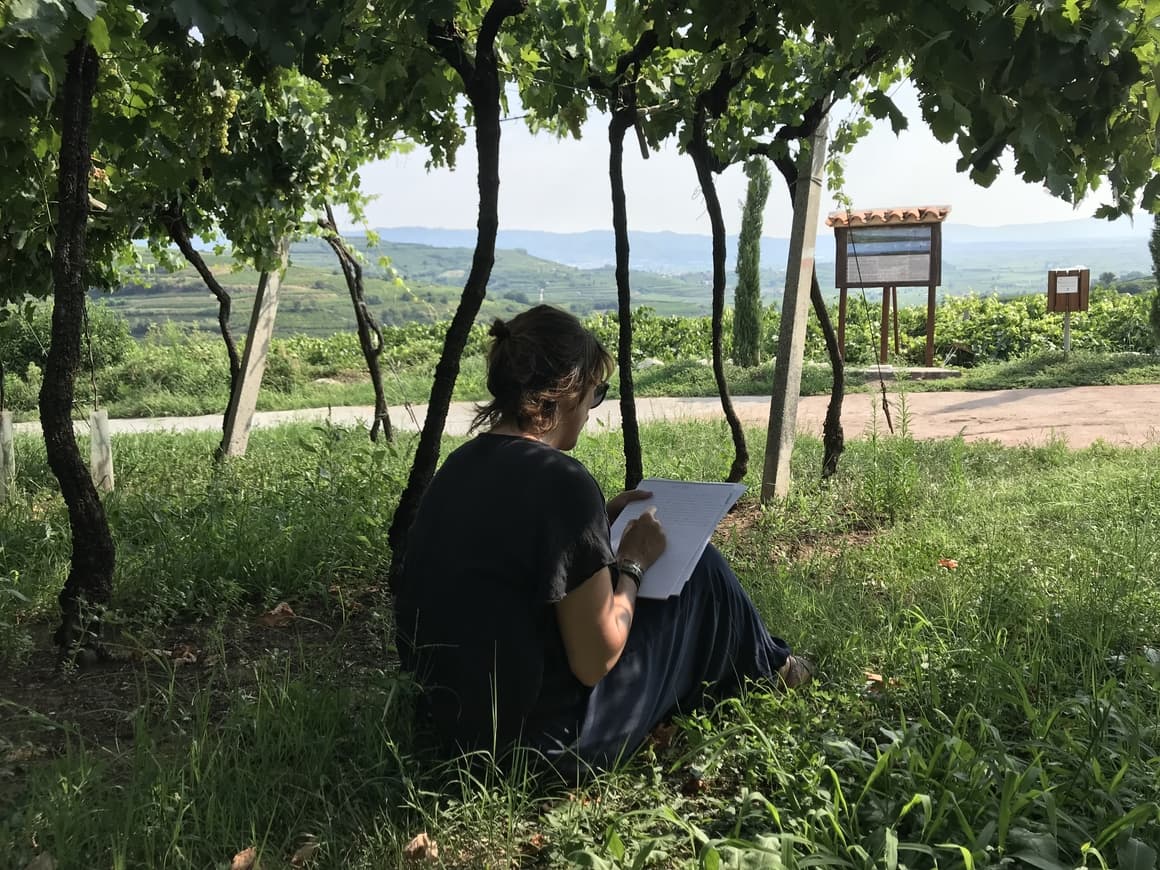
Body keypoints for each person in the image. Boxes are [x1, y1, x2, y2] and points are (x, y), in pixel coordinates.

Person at [393, 305, 810, 778]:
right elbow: (595, 659)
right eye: (595, 393)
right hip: (544, 749)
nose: (592, 410)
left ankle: (765, 667)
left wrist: (594, 531)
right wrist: (632, 562)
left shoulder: (460, 466)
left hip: (451, 729)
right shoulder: (562, 482)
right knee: (703, 571)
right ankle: (777, 669)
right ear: (566, 391)